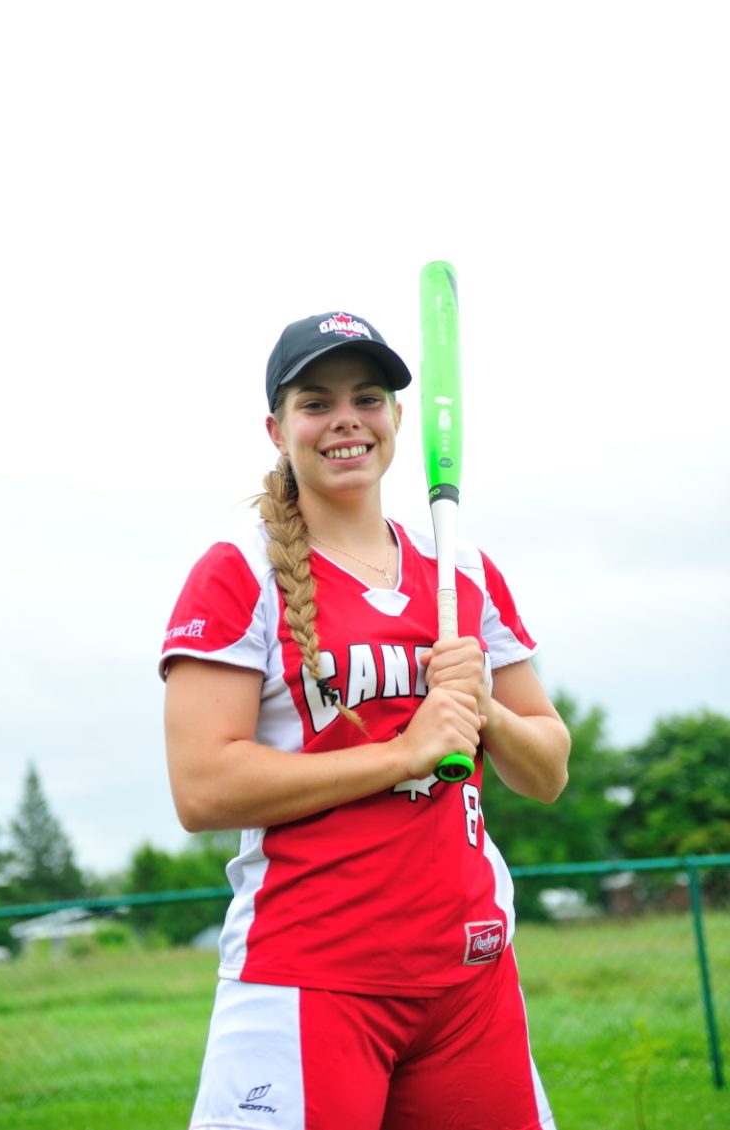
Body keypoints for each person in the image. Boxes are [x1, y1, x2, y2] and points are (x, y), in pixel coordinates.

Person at [159, 308, 571, 1130]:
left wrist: (482, 706)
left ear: (397, 418)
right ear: (277, 427)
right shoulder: (237, 572)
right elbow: (203, 789)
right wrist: (403, 751)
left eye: (368, 396)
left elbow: (549, 769)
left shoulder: (463, 569)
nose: (345, 419)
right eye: (316, 401)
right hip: (311, 974)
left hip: (468, 977)